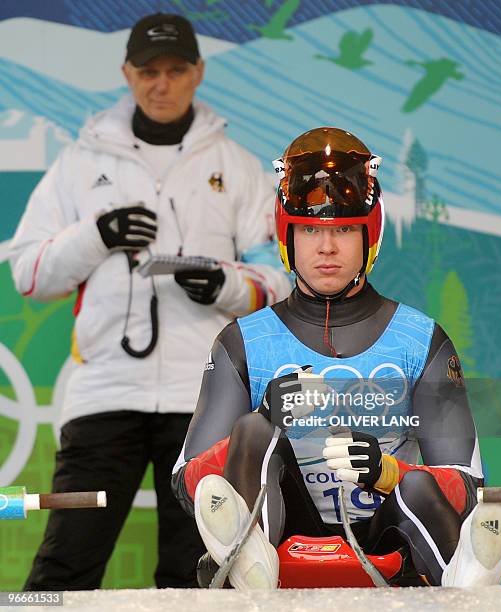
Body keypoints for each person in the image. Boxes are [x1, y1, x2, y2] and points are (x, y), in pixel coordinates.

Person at [9, 13, 291, 590]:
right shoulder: (80, 162)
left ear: (199, 73)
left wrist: (227, 287)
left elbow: (282, 278)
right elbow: (28, 274)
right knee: (66, 563)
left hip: (204, 398)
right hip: (103, 394)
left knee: (196, 572)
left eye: (175, 70)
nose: (160, 84)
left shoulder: (235, 166)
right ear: (126, 74)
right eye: (147, 71)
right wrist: (97, 235)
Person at [171, 127, 501, 589]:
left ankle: (468, 584)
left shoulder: (420, 338)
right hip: (277, 543)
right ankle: (248, 560)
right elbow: (188, 483)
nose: (326, 248)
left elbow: (467, 484)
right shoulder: (243, 341)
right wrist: (266, 414)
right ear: (286, 236)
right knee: (252, 430)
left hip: (390, 545)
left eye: (344, 230)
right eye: (310, 228)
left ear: (369, 237)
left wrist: (387, 472)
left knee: (414, 485)